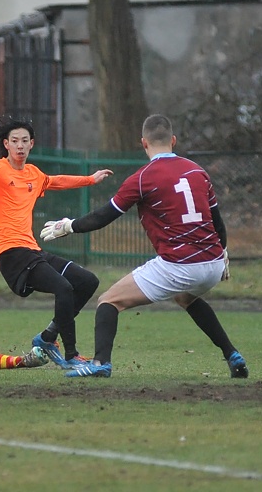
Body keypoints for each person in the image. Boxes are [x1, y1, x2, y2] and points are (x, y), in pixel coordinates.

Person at [39, 114, 248, 379]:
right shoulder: (198, 172)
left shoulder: (142, 178)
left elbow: (103, 217)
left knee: (108, 301)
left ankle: (101, 362)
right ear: (173, 140)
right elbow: (218, 224)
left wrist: (69, 226)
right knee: (186, 298)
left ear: (143, 143)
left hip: (179, 264)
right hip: (214, 264)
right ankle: (232, 354)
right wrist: (224, 256)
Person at [0, 116, 113, 369]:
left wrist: (90, 179)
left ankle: (48, 337)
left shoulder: (33, 174)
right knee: (64, 288)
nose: (19, 145)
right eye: (14, 141)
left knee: (87, 281)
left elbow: (55, 181)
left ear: (31, 144)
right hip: (9, 252)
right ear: (6, 144)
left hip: (31, 250)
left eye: (24, 141)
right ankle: (70, 356)